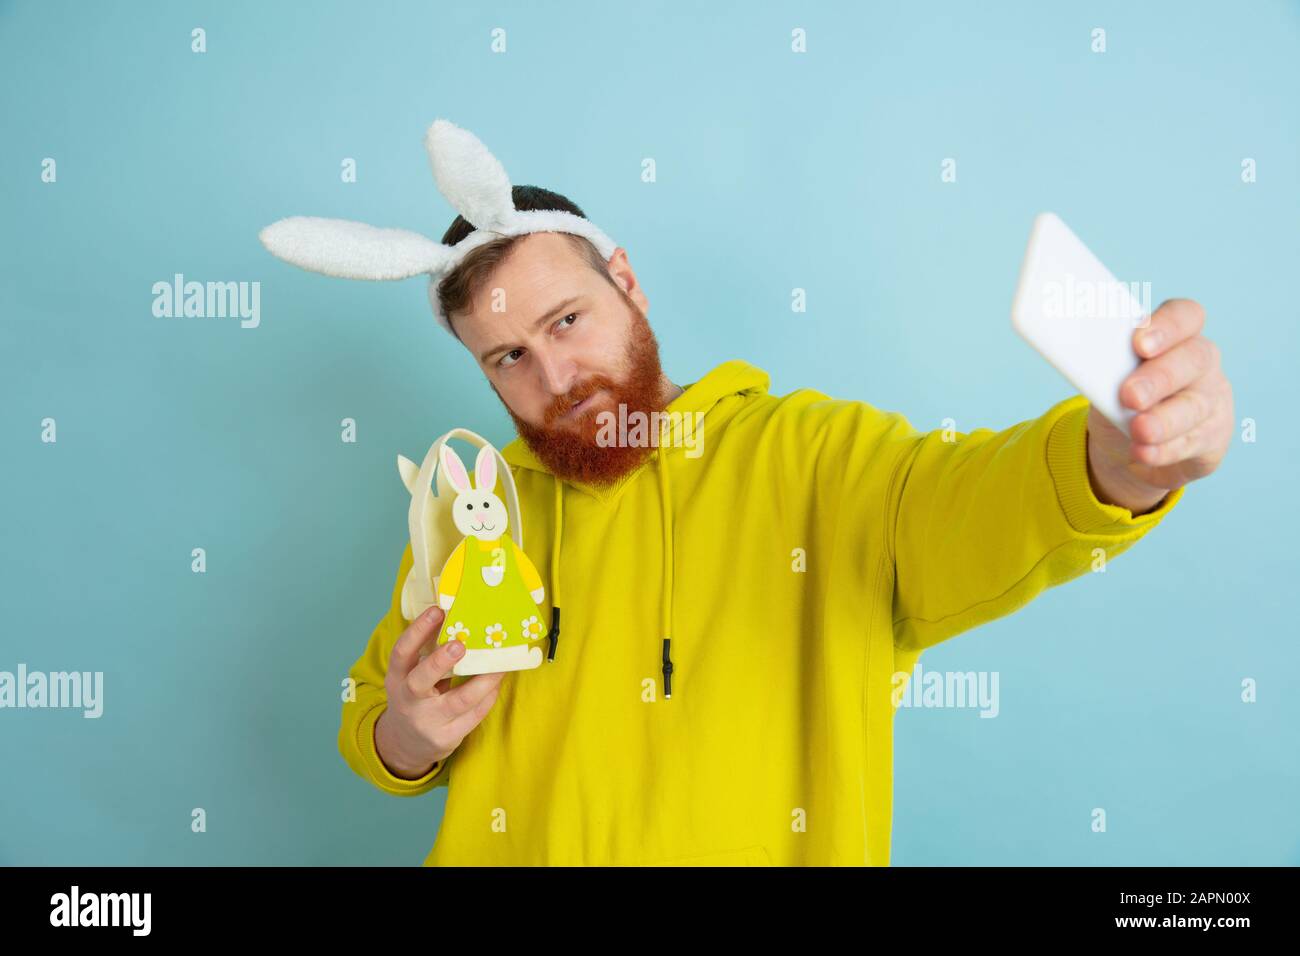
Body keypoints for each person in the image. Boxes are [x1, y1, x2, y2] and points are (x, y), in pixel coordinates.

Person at [338, 186, 1234, 866]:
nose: (558, 376)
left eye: (567, 319)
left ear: (628, 285)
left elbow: (979, 504)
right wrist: (408, 737)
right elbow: (374, 712)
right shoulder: (475, 515)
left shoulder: (820, 458)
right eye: (510, 358)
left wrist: (1116, 461)